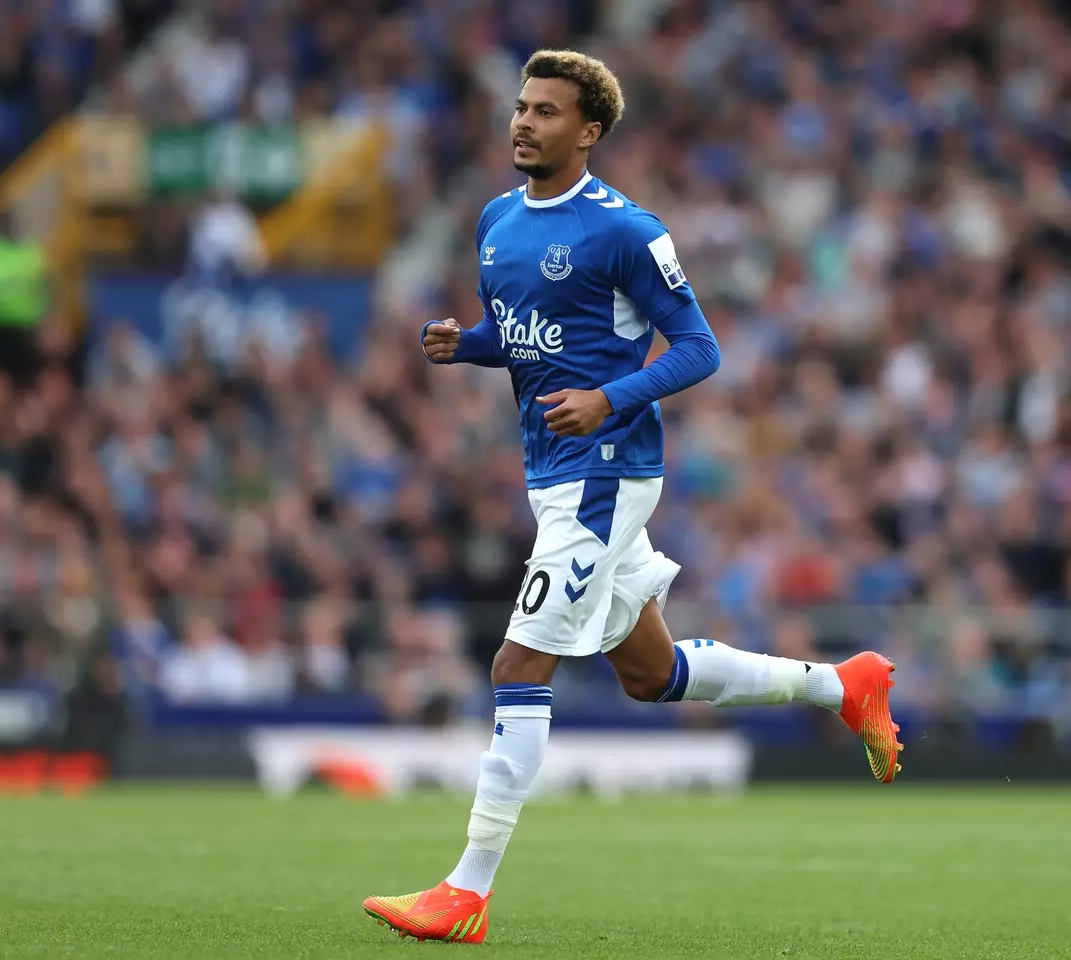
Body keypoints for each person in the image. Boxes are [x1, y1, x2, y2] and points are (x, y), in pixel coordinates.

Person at [362, 50, 903, 945]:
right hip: (554, 474)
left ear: (590, 131)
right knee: (653, 677)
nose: (525, 122)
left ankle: (466, 891)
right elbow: (533, 336)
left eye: (546, 111)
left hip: (608, 472)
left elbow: (699, 347)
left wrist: (611, 399)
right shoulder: (497, 221)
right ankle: (842, 686)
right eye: (522, 106)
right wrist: (470, 345)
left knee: (517, 667)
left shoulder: (627, 229)